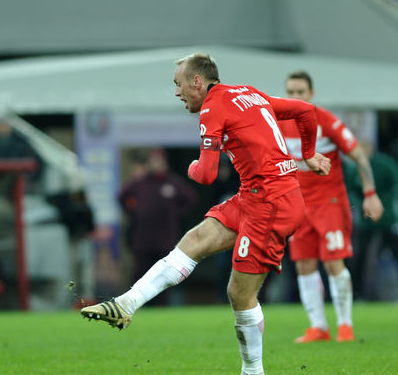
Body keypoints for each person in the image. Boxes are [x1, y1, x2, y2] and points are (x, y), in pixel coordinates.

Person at [81, 53, 331, 375]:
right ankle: (125, 304)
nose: (176, 92)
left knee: (239, 293)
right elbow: (305, 111)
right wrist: (308, 155)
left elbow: (207, 175)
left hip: (271, 204)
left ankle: (253, 372)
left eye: (178, 84)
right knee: (195, 238)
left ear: (197, 82)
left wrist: (191, 167)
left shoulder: (213, 108)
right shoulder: (249, 93)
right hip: (258, 196)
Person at [279, 71, 384, 343]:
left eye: (300, 92)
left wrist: (370, 193)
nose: (295, 97)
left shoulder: (325, 121)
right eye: (291, 92)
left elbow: (358, 155)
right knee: (303, 264)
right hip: (298, 205)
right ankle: (318, 327)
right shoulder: (277, 123)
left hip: (330, 202)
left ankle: (345, 326)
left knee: (333, 261)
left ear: (311, 94)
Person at [117, 148, 198, 302]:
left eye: (159, 161)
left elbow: (191, 198)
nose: (156, 164)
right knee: (141, 272)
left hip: (165, 239)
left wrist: (176, 213)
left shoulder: (173, 182)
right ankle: (137, 303)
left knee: (164, 274)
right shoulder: (140, 182)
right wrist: (135, 211)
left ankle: (163, 305)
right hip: (143, 239)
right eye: (153, 161)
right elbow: (122, 196)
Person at [345, 141, 398, 300]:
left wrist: (382, 202)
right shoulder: (355, 169)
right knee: (360, 256)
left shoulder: (385, 164)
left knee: (394, 252)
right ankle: (358, 293)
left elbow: (394, 185)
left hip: (387, 219)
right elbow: (350, 190)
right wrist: (360, 204)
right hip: (366, 220)